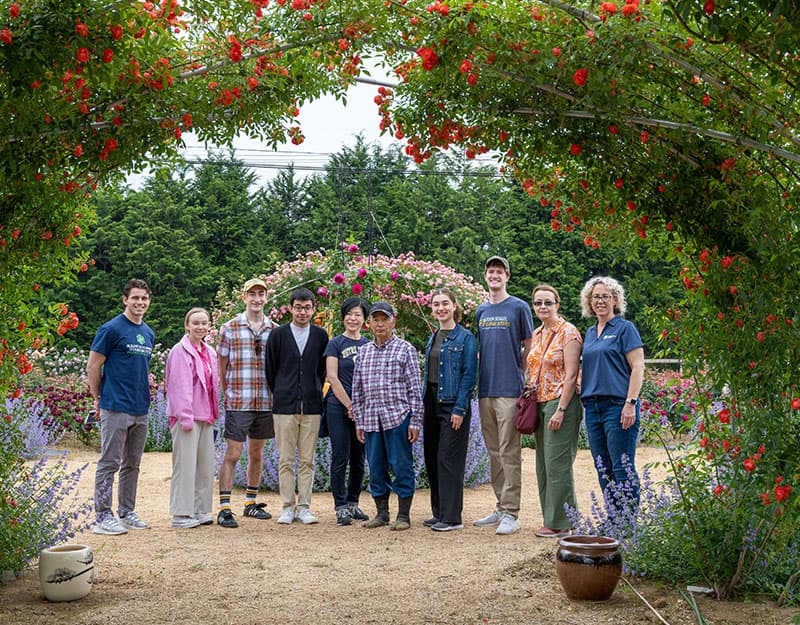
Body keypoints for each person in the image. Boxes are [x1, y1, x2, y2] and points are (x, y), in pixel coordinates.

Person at [87, 278, 155, 535]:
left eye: (144, 298)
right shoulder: (111, 329)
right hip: (115, 406)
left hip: (141, 408)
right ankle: (103, 517)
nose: (140, 302)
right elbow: (93, 366)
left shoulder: (147, 332)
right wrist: (97, 399)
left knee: (132, 464)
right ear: (125, 299)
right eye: (135, 298)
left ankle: (127, 512)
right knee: (109, 462)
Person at [474, 256, 534, 535]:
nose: (494, 275)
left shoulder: (519, 307)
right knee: (494, 452)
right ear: (486, 275)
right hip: (485, 389)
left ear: (507, 276)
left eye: (499, 271)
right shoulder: (481, 311)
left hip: (509, 389)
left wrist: (520, 374)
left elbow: (530, 346)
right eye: (490, 271)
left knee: (510, 451)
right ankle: (500, 506)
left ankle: (512, 512)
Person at [351, 301, 424, 531]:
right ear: (369, 323)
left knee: (402, 466)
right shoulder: (363, 352)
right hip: (372, 419)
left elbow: (415, 389)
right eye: (376, 319)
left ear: (393, 321)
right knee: (376, 467)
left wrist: (415, 421)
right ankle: (382, 514)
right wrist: (359, 422)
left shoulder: (405, 349)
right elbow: (358, 391)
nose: (380, 324)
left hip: (398, 418)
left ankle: (403, 516)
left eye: (385, 319)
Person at [216, 278, 277, 529]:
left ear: (266, 297)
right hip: (239, 400)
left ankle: (251, 503)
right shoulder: (229, 327)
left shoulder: (274, 329)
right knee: (233, 453)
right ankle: (224, 508)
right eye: (252, 294)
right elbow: (221, 366)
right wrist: (226, 394)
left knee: (257, 453)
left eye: (260, 294)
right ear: (244, 297)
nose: (256, 299)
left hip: (265, 400)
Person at [580, 276, 645, 508]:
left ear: (615, 300)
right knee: (602, 466)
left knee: (622, 465)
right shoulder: (589, 333)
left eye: (605, 296)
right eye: (595, 297)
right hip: (593, 408)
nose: (600, 301)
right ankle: (613, 520)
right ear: (589, 301)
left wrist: (630, 403)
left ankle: (628, 525)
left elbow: (638, 367)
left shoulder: (625, 328)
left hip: (618, 406)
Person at [265, 287, 329, 525]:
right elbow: (270, 369)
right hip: (284, 405)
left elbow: (322, 371)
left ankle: (304, 506)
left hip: (312, 405)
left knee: (307, 460)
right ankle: (287, 506)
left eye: (307, 307)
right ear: (290, 308)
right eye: (298, 307)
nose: (303, 312)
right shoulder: (278, 335)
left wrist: (312, 389)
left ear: (314, 309)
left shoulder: (321, 336)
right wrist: (283, 390)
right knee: (285, 459)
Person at [525, 284, 583, 538]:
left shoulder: (569, 333)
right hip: (539, 401)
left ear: (557, 304)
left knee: (558, 463)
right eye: (538, 303)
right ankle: (551, 517)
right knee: (543, 465)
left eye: (548, 302)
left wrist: (560, 409)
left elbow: (571, 376)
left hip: (561, 402)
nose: (542, 307)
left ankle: (563, 522)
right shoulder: (537, 333)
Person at [422, 288, 478, 532]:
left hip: (452, 404)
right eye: (436, 304)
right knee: (432, 458)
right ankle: (439, 513)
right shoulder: (433, 336)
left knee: (448, 459)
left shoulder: (465, 338)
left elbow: (469, 376)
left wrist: (460, 408)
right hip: (431, 402)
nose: (441, 308)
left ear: (455, 306)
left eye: (445, 303)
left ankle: (452, 517)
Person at [165, 308, 220, 529]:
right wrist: (185, 417)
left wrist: (214, 414)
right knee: (185, 465)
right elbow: (179, 387)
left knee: (204, 466)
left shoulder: (209, 352)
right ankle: (181, 513)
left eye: (204, 323)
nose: (200, 327)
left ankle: (198, 509)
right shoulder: (180, 351)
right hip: (186, 416)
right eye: (195, 323)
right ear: (187, 325)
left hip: (205, 415)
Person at [324, 297, 371, 527]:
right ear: (344, 317)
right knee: (340, 456)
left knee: (359, 459)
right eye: (349, 314)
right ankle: (340, 507)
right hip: (337, 406)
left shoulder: (369, 345)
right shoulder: (335, 344)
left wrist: (360, 406)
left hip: (363, 410)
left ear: (365, 319)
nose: (353, 318)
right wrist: (350, 405)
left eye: (358, 314)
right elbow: (332, 376)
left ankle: (353, 502)